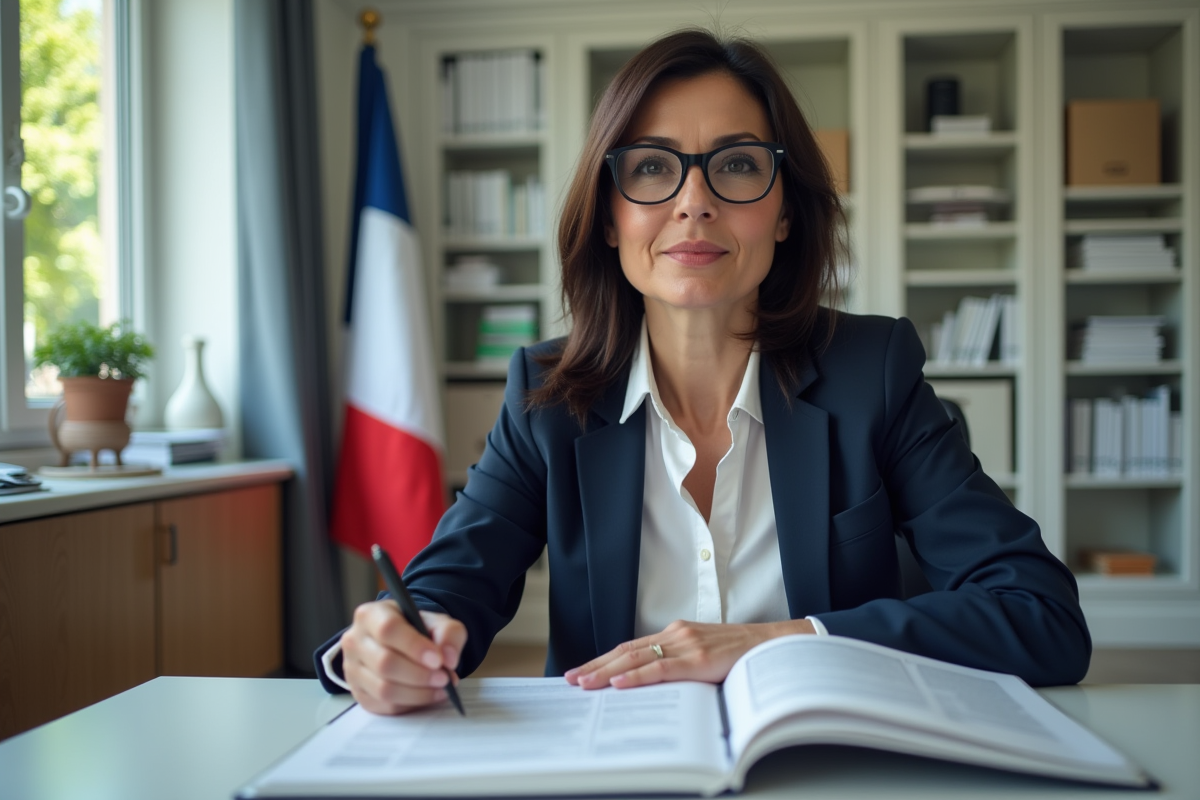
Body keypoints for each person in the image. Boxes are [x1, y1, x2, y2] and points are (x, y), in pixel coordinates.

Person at [315, 29, 1090, 715]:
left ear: (785, 213)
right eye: (653, 167)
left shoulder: (872, 373)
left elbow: (1041, 614)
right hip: (615, 761)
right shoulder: (546, 397)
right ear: (611, 217)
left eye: (739, 164)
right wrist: (383, 649)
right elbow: (445, 591)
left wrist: (773, 641)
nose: (694, 202)